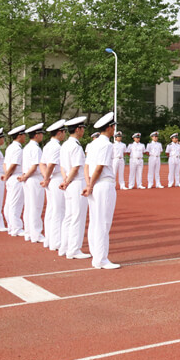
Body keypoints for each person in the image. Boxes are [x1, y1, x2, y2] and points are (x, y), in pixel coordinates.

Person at [83, 112, 120, 269]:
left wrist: (88, 184)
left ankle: (96, 255)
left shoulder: (93, 144)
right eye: (113, 127)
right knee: (103, 222)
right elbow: (99, 167)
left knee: (95, 221)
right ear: (110, 127)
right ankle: (101, 259)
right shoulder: (106, 144)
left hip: (94, 184)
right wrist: (90, 185)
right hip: (103, 184)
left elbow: (87, 166)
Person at [59, 116, 91, 260]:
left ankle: (64, 247)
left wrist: (65, 180)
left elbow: (62, 166)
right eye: (82, 128)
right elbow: (76, 166)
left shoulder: (65, 145)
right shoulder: (76, 146)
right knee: (77, 217)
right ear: (78, 129)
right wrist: (68, 181)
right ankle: (74, 249)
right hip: (76, 182)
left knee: (69, 216)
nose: (83, 131)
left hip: (69, 183)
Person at [41, 120, 67, 251]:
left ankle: (49, 239)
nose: (64, 135)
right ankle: (56, 241)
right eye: (64, 132)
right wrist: (47, 178)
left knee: (51, 210)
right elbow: (50, 164)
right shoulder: (57, 147)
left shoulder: (47, 146)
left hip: (51, 179)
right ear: (59, 132)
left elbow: (42, 164)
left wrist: (46, 177)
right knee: (58, 210)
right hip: (55, 178)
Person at [20, 123, 46, 243]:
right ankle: (36, 234)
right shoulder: (35, 148)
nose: (42, 136)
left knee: (29, 206)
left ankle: (28, 232)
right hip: (33, 178)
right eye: (41, 134)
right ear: (36, 135)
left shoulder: (26, 147)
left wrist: (25, 176)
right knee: (35, 206)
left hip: (28, 179)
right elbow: (35, 165)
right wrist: (26, 176)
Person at [3, 125, 27, 236]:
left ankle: (11, 226)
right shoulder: (17, 149)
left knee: (9, 203)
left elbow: (5, 164)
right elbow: (13, 165)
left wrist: (6, 175)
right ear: (20, 136)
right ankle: (16, 228)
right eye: (24, 135)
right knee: (15, 204)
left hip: (10, 176)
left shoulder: (10, 147)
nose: (25, 137)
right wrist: (7, 175)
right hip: (15, 176)